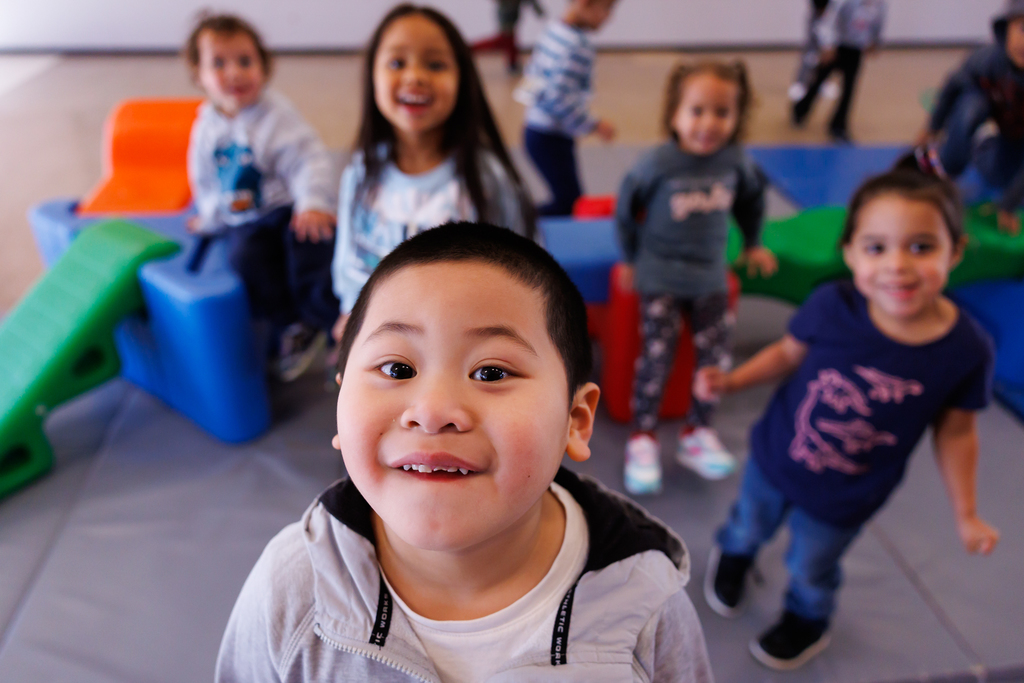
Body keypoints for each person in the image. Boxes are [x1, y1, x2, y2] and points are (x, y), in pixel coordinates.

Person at [215, 222, 715, 682]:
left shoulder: (645, 607)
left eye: (492, 372)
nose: (433, 412)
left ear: (575, 420)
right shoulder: (295, 589)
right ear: (342, 404)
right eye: (396, 369)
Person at [695, 169, 1000, 670]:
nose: (897, 266)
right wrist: (731, 381)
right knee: (748, 522)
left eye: (922, 247)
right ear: (851, 252)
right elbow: (786, 355)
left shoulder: (965, 350)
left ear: (957, 251)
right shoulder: (831, 305)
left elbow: (958, 430)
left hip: (847, 493)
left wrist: (965, 511)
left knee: (813, 565)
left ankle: (807, 618)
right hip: (776, 458)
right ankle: (736, 556)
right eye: (876, 248)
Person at [615, 61, 778, 495]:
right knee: (657, 355)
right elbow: (626, 210)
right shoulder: (658, 163)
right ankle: (643, 437)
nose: (708, 123)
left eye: (722, 113)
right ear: (674, 114)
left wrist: (754, 242)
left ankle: (696, 434)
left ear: (737, 117)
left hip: (708, 277)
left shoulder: (736, 162)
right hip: (661, 273)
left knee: (715, 359)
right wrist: (631, 258)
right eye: (697, 111)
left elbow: (752, 202)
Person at [331, 4, 534, 344]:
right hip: (385, 339)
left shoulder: (488, 180)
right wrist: (352, 311)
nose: (415, 76)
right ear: (372, 76)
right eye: (397, 62)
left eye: (436, 64)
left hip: (467, 340)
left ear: (462, 79)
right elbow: (349, 264)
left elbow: (524, 270)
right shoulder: (360, 175)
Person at [185, 13, 339, 381]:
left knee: (313, 249)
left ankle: (333, 324)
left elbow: (308, 158)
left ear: (263, 67)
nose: (234, 72)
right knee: (246, 259)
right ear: (199, 75)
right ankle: (291, 326)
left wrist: (313, 202)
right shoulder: (206, 125)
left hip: (287, 208)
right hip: (246, 219)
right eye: (219, 63)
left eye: (245, 61)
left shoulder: (276, 116)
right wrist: (211, 217)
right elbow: (204, 178)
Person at [913, 0, 1024, 236]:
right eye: (1022, 29)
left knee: (1002, 179)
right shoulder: (986, 60)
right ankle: (947, 174)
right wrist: (932, 127)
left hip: (1017, 138)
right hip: (1003, 123)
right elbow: (952, 87)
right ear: (1005, 30)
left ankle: (987, 147)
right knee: (971, 105)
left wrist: (1007, 206)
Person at [517, 0, 618, 216]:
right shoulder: (578, 45)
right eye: (607, 8)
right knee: (570, 204)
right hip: (549, 137)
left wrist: (534, 108)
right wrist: (594, 124)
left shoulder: (553, 31)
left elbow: (532, 77)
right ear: (585, 3)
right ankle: (516, 219)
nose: (609, 17)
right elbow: (558, 97)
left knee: (569, 199)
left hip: (534, 129)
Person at [792, 0, 887, 143]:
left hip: (855, 49)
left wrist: (875, 41)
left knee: (849, 89)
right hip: (837, 46)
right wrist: (828, 45)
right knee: (819, 80)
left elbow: (878, 23)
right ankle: (800, 109)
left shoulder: (879, 5)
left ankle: (838, 125)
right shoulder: (846, 2)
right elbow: (829, 21)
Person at [471, 0, 545, 74]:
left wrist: (538, 11)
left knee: (509, 39)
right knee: (504, 39)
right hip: (506, 13)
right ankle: (471, 48)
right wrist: (539, 11)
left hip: (512, 12)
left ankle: (513, 64)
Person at [789, 0, 835, 102]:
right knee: (810, 53)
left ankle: (823, 82)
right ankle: (800, 83)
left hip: (830, 11)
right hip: (818, 10)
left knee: (826, 54)